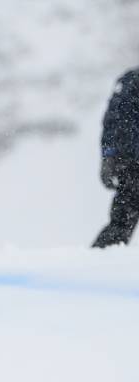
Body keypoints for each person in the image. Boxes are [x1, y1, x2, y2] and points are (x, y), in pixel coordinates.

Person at [93, 67, 139, 248]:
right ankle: (94, 261)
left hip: (129, 163)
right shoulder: (132, 80)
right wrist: (109, 156)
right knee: (120, 225)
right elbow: (114, 121)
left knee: (121, 224)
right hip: (131, 165)